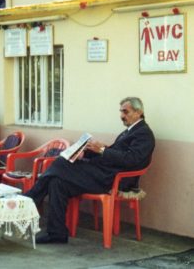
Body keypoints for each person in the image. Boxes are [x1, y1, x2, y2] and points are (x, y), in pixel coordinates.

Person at [25, 97, 155, 244]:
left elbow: (132, 159)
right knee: (57, 182)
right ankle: (57, 233)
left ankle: (30, 199)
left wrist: (102, 150)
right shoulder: (129, 131)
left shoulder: (144, 133)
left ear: (138, 112)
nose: (122, 116)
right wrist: (87, 152)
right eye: (121, 112)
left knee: (61, 162)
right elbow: (113, 152)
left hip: (114, 179)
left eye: (126, 112)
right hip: (103, 173)